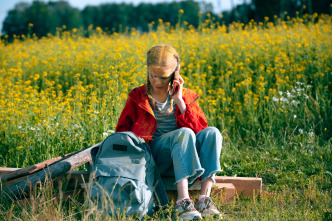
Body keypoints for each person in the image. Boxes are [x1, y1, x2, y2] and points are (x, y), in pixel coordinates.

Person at [116, 44, 223, 220]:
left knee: (213, 133)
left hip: (186, 161)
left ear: (175, 73)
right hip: (154, 159)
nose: (157, 82)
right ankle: (183, 202)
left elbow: (200, 133)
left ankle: (204, 199)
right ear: (148, 71)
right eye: (152, 76)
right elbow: (122, 132)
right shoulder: (138, 97)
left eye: (163, 77)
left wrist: (179, 101)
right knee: (184, 134)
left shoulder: (187, 96)